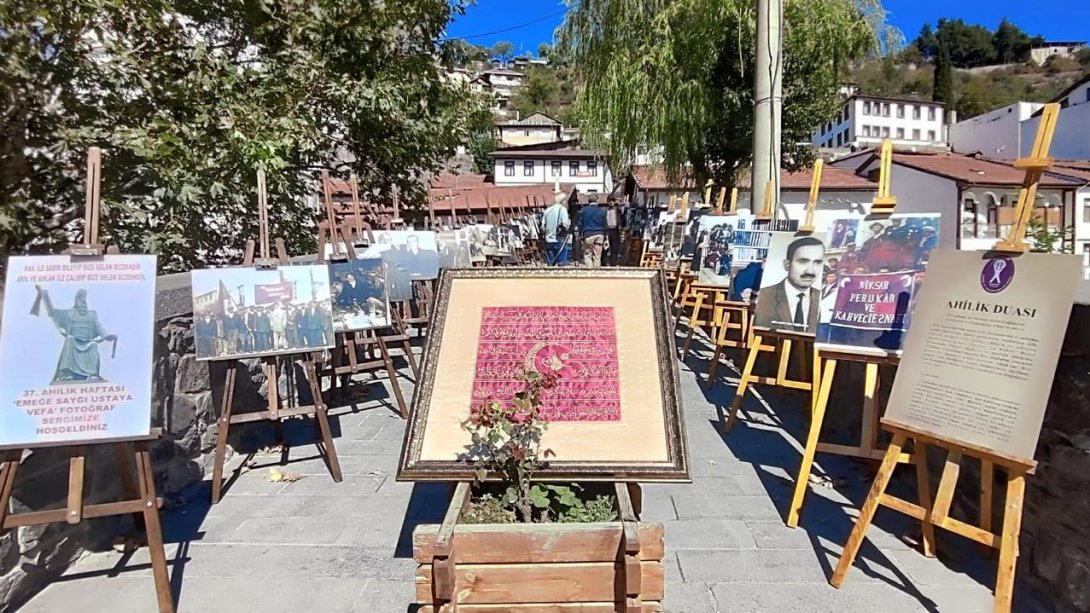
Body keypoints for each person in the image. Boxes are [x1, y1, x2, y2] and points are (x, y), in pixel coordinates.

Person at [33, 287, 117, 383]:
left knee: (93, 345)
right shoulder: (69, 314)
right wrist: (45, 296)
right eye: (80, 300)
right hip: (74, 342)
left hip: (87, 342)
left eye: (84, 300)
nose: (83, 303)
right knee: (69, 339)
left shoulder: (92, 315)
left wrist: (106, 336)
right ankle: (68, 374)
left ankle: (92, 374)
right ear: (76, 302)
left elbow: (99, 328)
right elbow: (53, 313)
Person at [753, 236, 825, 334]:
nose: (810, 271)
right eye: (803, 262)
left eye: (817, 262)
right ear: (787, 265)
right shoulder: (764, 297)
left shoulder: (823, 299)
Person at [542, 191, 571, 265]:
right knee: (562, 264)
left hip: (548, 240)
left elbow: (543, 227)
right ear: (563, 201)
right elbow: (565, 225)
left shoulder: (547, 210)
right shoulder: (562, 209)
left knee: (551, 264)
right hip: (559, 239)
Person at [579, 195, 607, 267]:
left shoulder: (583, 211)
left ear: (588, 201)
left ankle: (590, 272)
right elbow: (605, 225)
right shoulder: (602, 211)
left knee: (588, 255)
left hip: (588, 234)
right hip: (600, 235)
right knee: (597, 256)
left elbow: (580, 224)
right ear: (596, 201)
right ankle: (597, 273)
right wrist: (606, 237)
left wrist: (580, 235)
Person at [604, 195, 622, 266]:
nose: (611, 202)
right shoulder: (605, 210)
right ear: (607, 202)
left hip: (615, 230)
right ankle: (605, 262)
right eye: (610, 201)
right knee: (606, 247)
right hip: (607, 230)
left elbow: (621, 219)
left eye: (613, 201)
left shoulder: (617, 210)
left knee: (614, 248)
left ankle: (613, 263)